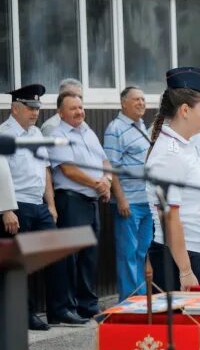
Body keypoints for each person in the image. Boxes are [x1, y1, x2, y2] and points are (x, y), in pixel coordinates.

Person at [0, 84, 86, 329]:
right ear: (15, 108)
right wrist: (7, 209)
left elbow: (45, 170)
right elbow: (1, 173)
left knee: (56, 258)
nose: (35, 112)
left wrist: (51, 204)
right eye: (30, 107)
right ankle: (23, 315)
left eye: (37, 107)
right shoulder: (5, 133)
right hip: (18, 207)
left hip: (39, 206)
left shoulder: (37, 133)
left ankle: (60, 310)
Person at [145, 67, 200, 291]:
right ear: (185, 110)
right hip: (181, 258)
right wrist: (186, 271)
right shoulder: (170, 154)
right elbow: (170, 218)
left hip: (198, 250)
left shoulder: (185, 146)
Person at [48, 92, 112, 319]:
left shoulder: (88, 131)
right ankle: (66, 308)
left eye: (81, 107)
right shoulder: (58, 135)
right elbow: (68, 169)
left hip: (91, 200)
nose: (79, 112)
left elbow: (104, 161)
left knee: (89, 257)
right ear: (60, 112)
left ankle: (88, 305)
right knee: (70, 258)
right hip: (71, 201)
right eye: (73, 108)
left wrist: (107, 181)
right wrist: (98, 183)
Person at [103, 86, 154, 301]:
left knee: (142, 252)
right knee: (128, 254)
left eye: (143, 99)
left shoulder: (143, 126)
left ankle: (140, 297)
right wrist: (121, 198)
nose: (141, 103)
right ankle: (129, 299)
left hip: (147, 200)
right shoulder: (115, 129)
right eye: (136, 99)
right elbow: (110, 167)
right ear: (124, 103)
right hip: (129, 202)